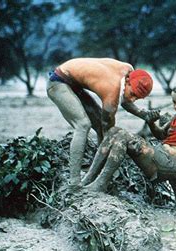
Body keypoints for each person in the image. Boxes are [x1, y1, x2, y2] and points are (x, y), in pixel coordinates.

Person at [81, 82, 176, 209]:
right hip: (163, 155)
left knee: (123, 136)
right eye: (174, 102)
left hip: (170, 163)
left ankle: (101, 183)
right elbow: (160, 135)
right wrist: (151, 123)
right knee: (113, 131)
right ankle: (88, 179)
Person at [47, 57, 159, 190]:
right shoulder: (111, 90)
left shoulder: (129, 71)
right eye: (133, 94)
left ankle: (94, 173)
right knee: (83, 125)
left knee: (99, 126)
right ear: (128, 81)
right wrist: (112, 165)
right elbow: (109, 132)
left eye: (137, 98)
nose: (133, 99)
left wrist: (144, 114)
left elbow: (126, 101)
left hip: (75, 84)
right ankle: (74, 182)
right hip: (58, 82)